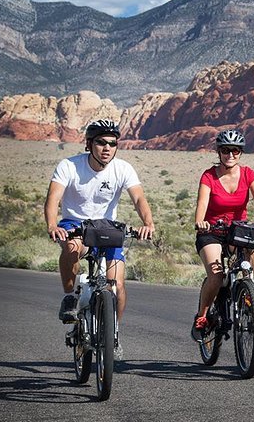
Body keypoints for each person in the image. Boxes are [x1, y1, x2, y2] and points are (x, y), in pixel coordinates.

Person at [44, 119, 155, 357]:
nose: (107, 148)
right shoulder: (69, 166)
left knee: (118, 285)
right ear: (89, 144)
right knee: (72, 248)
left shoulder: (123, 169)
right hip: (74, 223)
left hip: (106, 227)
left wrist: (148, 223)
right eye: (101, 142)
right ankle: (69, 297)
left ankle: (112, 332)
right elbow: (53, 198)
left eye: (112, 144)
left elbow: (139, 199)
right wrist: (53, 224)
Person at [193, 128, 254, 332]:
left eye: (235, 151)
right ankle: (202, 315)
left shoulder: (248, 174)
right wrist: (200, 221)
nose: (230, 155)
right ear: (219, 152)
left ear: (240, 153)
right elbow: (202, 202)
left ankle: (248, 294)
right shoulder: (209, 176)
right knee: (216, 276)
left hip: (237, 230)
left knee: (251, 260)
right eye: (226, 151)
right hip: (212, 231)